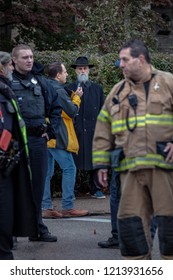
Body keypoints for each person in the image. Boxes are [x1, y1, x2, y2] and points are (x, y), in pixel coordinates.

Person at [93, 38, 173, 260]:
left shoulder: (167, 83)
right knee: (130, 232)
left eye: (124, 59)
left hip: (164, 171)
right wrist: (100, 164)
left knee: (170, 230)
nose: (121, 64)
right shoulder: (117, 92)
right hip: (130, 173)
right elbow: (103, 128)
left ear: (141, 59)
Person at [11, 44, 62, 242]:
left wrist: (51, 131)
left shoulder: (41, 82)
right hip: (14, 143)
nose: (29, 60)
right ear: (14, 60)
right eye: (25, 57)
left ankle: (37, 228)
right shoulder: (6, 82)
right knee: (13, 186)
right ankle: (11, 232)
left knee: (38, 186)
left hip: (37, 140)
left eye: (31, 56)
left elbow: (56, 108)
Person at [0, 51, 37, 259]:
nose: (12, 69)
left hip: (9, 165)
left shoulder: (5, 90)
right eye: (9, 65)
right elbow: (3, 129)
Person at [42, 61, 89, 218]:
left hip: (45, 135)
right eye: (64, 72)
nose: (67, 74)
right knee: (69, 169)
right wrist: (76, 98)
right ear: (57, 75)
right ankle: (68, 207)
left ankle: (46, 207)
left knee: (46, 172)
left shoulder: (43, 86)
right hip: (59, 136)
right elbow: (71, 112)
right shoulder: (58, 90)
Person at [68, 56, 105, 198]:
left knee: (94, 160)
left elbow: (103, 109)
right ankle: (73, 188)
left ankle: (96, 189)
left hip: (93, 130)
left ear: (88, 70)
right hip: (75, 130)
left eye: (85, 68)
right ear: (75, 71)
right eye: (80, 68)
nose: (82, 71)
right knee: (72, 161)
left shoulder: (97, 89)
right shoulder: (69, 88)